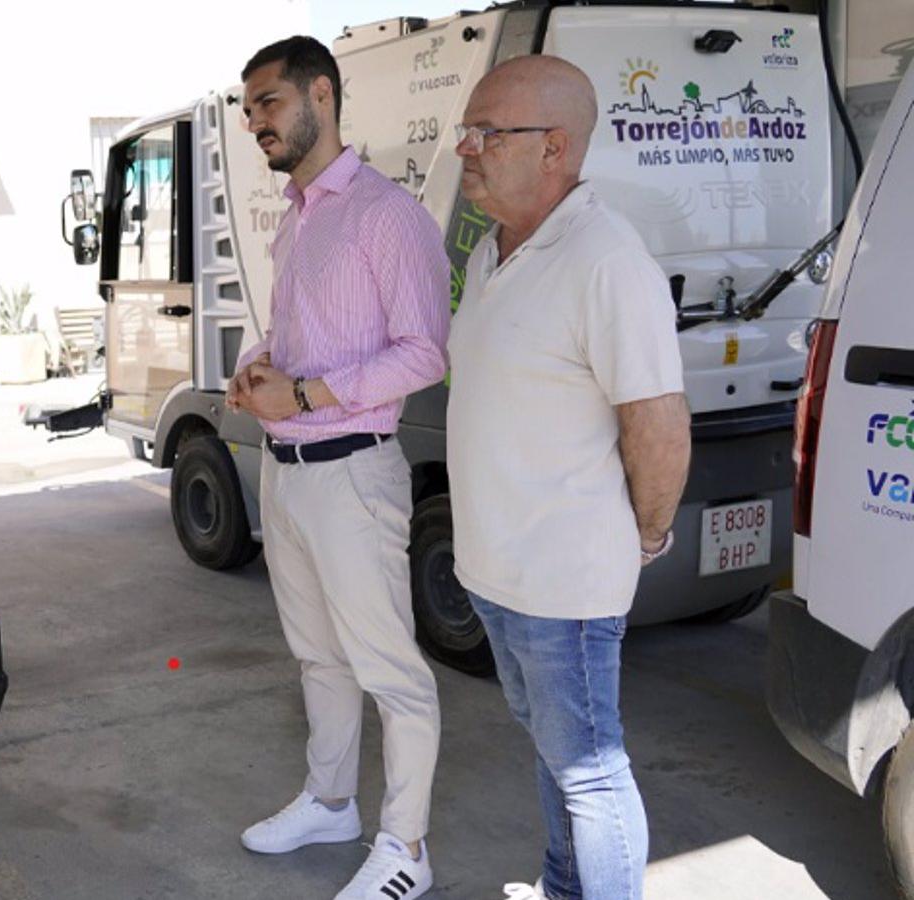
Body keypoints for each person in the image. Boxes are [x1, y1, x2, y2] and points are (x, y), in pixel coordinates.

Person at [445, 55, 691, 900]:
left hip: (563, 584)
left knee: (590, 769)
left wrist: (647, 533)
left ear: (555, 148)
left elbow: (657, 426)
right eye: (465, 130)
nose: (464, 149)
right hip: (497, 573)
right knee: (555, 750)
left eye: (487, 133)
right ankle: (562, 887)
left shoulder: (606, 259)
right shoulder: (494, 249)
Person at [227, 35, 451, 900]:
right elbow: (293, 338)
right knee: (317, 658)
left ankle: (408, 848)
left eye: (269, 103)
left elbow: (425, 354)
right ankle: (330, 802)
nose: (256, 123)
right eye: (248, 110)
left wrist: (311, 394)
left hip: (355, 472)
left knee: (390, 669)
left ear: (321, 93)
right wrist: (258, 368)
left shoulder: (386, 214)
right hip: (287, 472)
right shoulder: (298, 217)